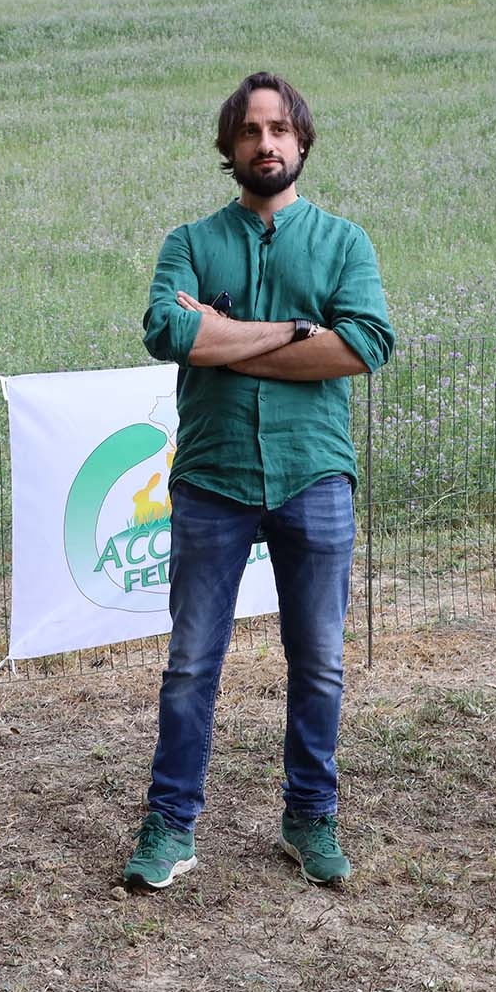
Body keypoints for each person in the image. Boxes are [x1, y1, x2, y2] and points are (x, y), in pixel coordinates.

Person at [121, 72, 395, 891]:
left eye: (278, 128)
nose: (265, 143)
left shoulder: (344, 243)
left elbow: (364, 345)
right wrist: (294, 331)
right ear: (230, 146)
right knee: (190, 665)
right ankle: (171, 825)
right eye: (249, 130)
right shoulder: (191, 241)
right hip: (214, 478)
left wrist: (227, 336)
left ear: (300, 140)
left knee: (319, 664)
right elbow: (168, 330)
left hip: (316, 474)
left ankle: (310, 817)